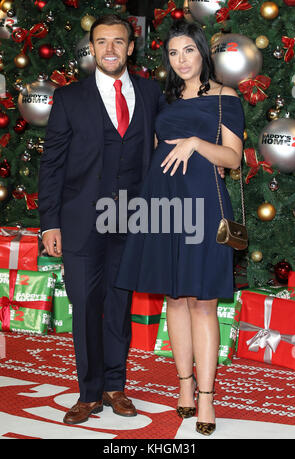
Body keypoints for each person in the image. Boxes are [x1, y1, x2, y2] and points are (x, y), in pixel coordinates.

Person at [116, 20, 244, 436]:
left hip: (206, 205)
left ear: (202, 53)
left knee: (203, 301)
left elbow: (232, 159)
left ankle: (206, 397)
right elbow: (153, 152)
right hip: (164, 206)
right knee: (175, 296)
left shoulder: (226, 98)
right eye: (173, 53)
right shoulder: (164, 101)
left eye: (188, 50)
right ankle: (185, 388)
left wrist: (194, 144)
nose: (181, 59)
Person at [38, 14, 162, 424]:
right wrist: (49, 222)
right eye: (101, 41)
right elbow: (52, 165)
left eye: (118, 41)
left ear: (131, 47)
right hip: (79, 221)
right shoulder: (69, 98)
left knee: (119, 303)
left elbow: (163, 152)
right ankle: (88, 392)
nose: (110, 49)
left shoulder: (149, 92)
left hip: (131, 218)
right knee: (87, 304)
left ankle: (115, 386)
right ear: (92, 48)